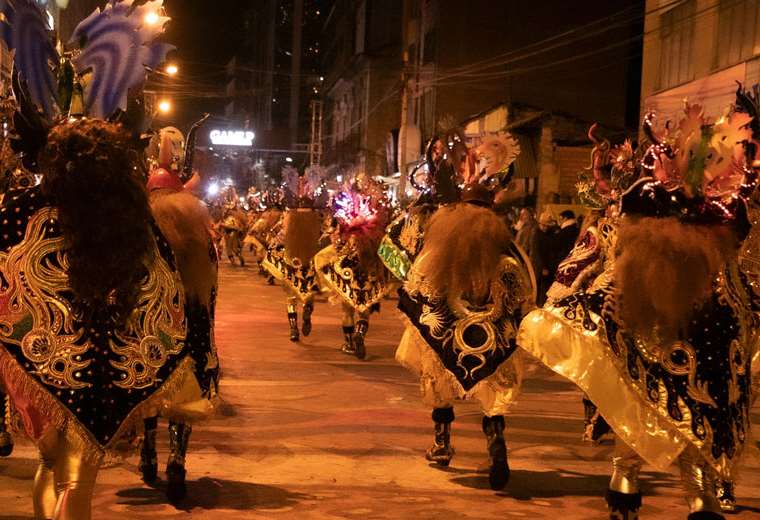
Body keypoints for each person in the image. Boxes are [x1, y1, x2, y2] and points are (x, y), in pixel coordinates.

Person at [518, 101, 759, 520]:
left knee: (640, 392)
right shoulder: (658, 209)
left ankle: (632, 480)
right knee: (655, 395)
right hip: (672, 311)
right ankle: (679, 488)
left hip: (687, 318)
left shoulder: (710, 219)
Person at [396, 130, 534, 491]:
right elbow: (526, 292)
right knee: (494, 390)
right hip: (490, 333)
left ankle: (442, 444)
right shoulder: (508, 251)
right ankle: (496, 443)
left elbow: (415, 285)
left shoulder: (439, 248)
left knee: (439, 379)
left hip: (447, 330)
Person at [143, 119, 220, 502]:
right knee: (183, 392)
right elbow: (208, 297)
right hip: (187, 327)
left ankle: (152, 451)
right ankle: (174, 458)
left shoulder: (144, 231)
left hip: (153, 330)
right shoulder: (197, 237)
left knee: (149, 387)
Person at [315, 174, 392, 359]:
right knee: (364, 311)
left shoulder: (344, 224)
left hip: (347, 274)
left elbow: (334, 244)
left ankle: (349, 343)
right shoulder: (374, 231)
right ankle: (360, 334)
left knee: (347, 310)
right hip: (367, 274)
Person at [262, 165, 327, 342]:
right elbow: (323, 236)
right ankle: (307, 310)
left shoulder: (290, 215)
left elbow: (282, 236)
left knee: (291, 298)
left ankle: (293, 329)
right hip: (310, 259)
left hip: (292, 258)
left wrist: (272, 246)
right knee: (309, 293)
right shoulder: (315, 217)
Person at [531, 211, 560, 306]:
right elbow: (536, 253)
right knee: (539, 289)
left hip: (549, 266)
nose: (545, 228)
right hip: (540, 268)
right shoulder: (536, 234)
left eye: (547, 226)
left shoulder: (550, 234)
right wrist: (542, 267)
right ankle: (539, 305)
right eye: (543, 225)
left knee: (546, 288)